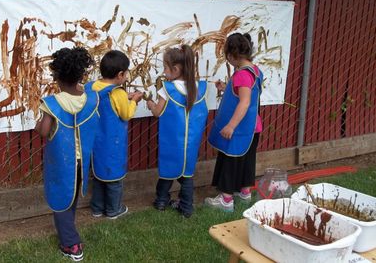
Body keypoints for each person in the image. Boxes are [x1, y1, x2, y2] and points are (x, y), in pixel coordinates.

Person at [35, 47, 99, 262]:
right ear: (82, 75)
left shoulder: (52, 103)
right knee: (69, 198)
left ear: (56, 77)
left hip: (63, 163)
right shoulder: (90, 99)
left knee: (61, 199)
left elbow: (44, 131)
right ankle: (68, 231)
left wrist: (38, 122)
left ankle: (71, 244)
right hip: (83, 160)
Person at [146, 45, 208, 218]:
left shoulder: (167, 89)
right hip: (191, 143)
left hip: (171, 142)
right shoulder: (200, 88)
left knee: (166, 173)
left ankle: (161, 201)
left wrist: (150, 103)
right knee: (187, 176)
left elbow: (157, 112)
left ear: (176, 69)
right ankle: (186, 207)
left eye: (165, 68)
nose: (164, 72)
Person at [205, 33, 263, 212]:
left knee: (230, 161)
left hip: (239, 129)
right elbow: (244, 94)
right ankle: (245, 192)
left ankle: (226, 200)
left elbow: (244, 102)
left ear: (231, 56)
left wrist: (230, 125)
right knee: (245, 160)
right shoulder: (255, 70)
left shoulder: (241, 76)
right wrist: (226, 88)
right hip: (253, 127)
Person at [88, 50, 143, 219]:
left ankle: (97, 208)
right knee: (114, 179)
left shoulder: (93, 86)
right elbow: (126, 114)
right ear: (120, 75)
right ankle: (113, 210)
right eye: (126, 73)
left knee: (98, 176)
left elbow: (106, 98)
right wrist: (133, 101)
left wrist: (125, 96)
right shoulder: (117, 93)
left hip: (96, 141)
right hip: (113, 143)